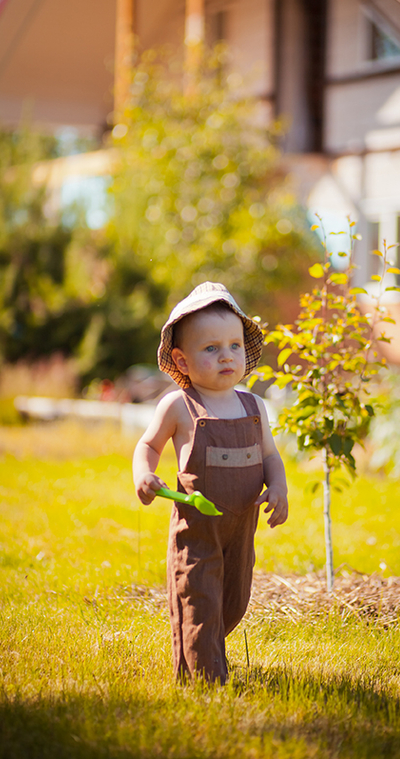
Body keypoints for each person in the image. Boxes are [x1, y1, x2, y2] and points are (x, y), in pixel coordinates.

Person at [133, 281, 288, 683]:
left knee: (232, 602)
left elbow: (270, 456)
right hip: (198, 528)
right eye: (211, 348)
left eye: (234, 345)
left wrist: (278, 487)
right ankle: (205, 678)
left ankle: (210, 650)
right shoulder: (179, 405)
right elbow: (148, 445)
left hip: (241, 528)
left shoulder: (254, 406)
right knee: (198, 598)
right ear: (182, 361)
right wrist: (144, 473)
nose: (226, 355)